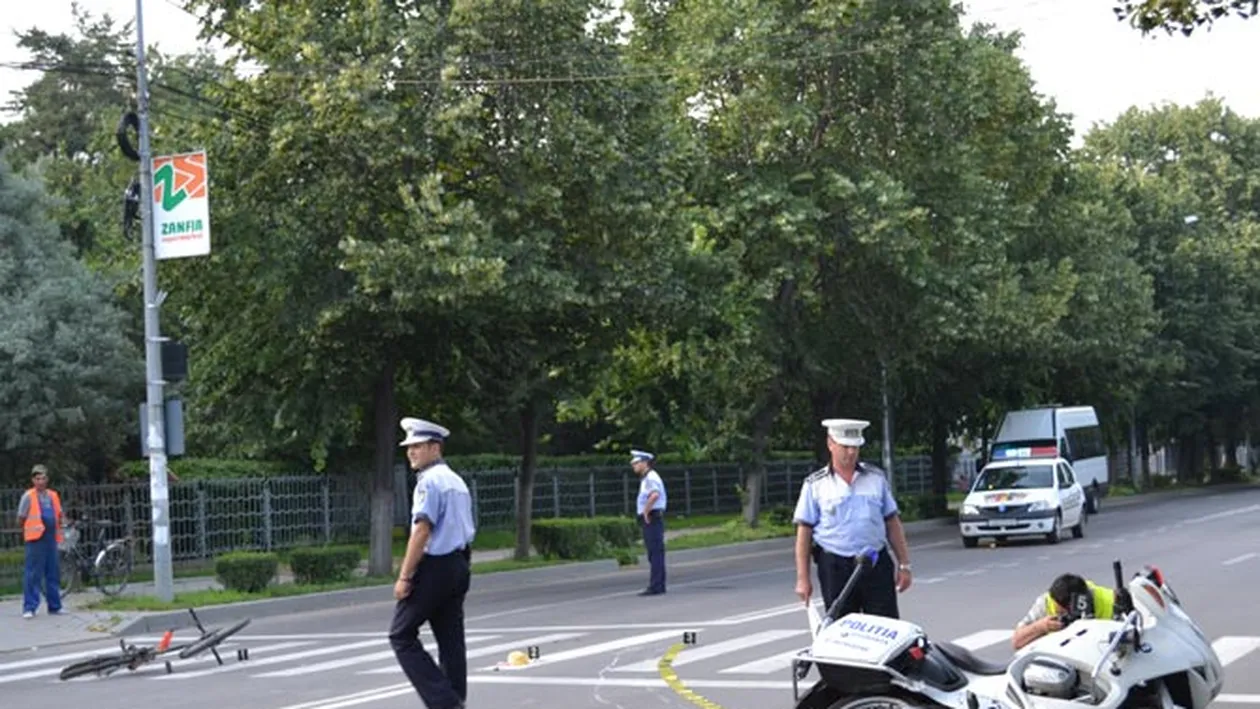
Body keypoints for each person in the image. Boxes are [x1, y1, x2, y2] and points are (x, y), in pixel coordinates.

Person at [389, 417, 477, 709]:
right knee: (450, 635)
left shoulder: (429, 483)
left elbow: (422, 530)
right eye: (409, 447)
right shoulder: (456, 481)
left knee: (401, 634)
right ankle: (455, 697)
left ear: (435, 448)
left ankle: (444, 702)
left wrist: (404, 576)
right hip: (459, 563)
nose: (411, 452)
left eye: (418, 446)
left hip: (436, 565)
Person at [793, 419, 912, 619]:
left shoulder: (875, 478)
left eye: (856, 447)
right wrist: (803, 579)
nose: (851, 452)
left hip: (875, 563)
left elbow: (892, 522)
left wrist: (904, 565)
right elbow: (804, 533)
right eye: (845, 446)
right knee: (843, 630)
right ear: (831, 444)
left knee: (885, 626)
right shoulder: (816, 485)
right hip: (836, 566)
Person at [1011, 572, 1116, 650]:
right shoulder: (1047, 602)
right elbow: (1017, 641)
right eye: (1060, 612)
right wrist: (1041, 626)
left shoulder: (1109, 599)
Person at [18, 464, 64, 619]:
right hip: (36, 539)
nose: (41, 482)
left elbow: (59, 514)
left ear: (47, 479)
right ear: (33, 480)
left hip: (51, 538)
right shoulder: (28, 496)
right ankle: (29, 607)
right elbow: (21, 517)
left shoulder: (52, 495)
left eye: (43, 478)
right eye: (38, 479)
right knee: (33, 574)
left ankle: (55, 606)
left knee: (53, 572)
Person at [632, 449, 667, 596]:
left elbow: (654, 495)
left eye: (636, 463)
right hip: (652, 516)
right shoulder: (648, 477)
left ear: (644, 463)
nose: (634, 466)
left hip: (652, 517)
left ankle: (656, 586)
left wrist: (646, 511)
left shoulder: (650, 478)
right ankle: (658, 584)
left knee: (655, 553)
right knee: (654, 552)